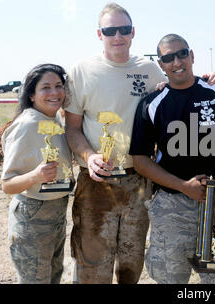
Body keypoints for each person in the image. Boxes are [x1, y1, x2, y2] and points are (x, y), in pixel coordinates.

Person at [129, 33, 215, 284]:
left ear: (192, 55)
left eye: (182, 53)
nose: (177, 61)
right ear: (161, 64)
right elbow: (140, 159)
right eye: (168, 58)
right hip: (171, 205)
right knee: (171, 278)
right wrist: (183, 186)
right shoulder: (152, 103)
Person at [64, 3, 169, 284]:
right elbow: (72, 128)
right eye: (110, 31)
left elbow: (179, 89)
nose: (118, 36)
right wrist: (89, 157)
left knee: (131, 265)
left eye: (124, 29)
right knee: (92, 266)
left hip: (138, 182)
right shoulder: (81, 71)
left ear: (133, 32)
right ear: (100, 34)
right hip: (96, 183)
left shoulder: (150, 70)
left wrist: (211, 80)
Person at [1, 63, 73, 283]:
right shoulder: (27, 125)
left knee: (53, 277)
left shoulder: (54, 119)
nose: (54, 93)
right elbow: (7, 185)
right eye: (45, 88)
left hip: (56, 212)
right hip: (32, 216)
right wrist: (36, 175)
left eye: (58, 85)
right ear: (31, 95)